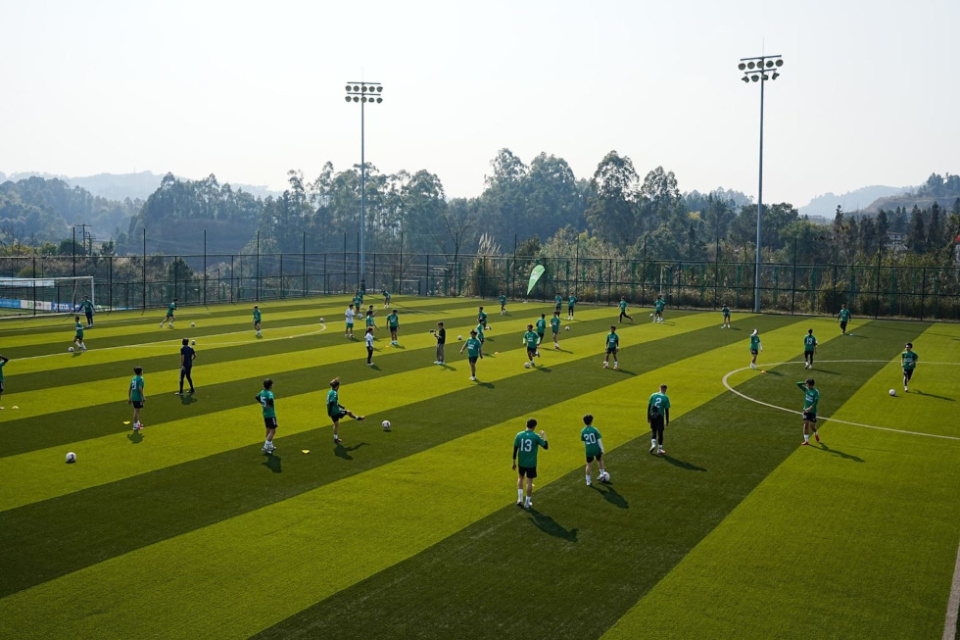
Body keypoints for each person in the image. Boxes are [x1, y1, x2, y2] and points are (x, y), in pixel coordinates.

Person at [512, 418, 548, 510]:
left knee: (520, 478)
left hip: (521, 462)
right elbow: (545, 447)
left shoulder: (519, 435)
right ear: (534, 426)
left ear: (526, 424)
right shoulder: (535, 436)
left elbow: (515, 449)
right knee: (529, 482)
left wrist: (513, 462)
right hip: (531, 463)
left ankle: (520, 498)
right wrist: (544, 436)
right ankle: (527, 503)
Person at [327, 377, 365, 444]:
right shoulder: (334, 393)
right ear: (337, 386)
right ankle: (357, 418)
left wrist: (340, 406)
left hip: (333, 411)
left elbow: (333, 402)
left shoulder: (330, 392)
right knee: (348, 412)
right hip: (335, 412)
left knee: (336, 424)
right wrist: (330, 412)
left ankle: (335, 439)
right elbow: (332, 402)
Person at [580, 414, 607, 486]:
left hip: (589, 450)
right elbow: (599, 440)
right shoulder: (595, 430)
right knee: (600, 460)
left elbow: (583, 441)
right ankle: (602, 474)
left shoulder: (583, 431)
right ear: (591, 421)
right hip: (596, 449)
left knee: (589, 465)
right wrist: (602, 449)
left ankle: (588, 481)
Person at [255, 378, 278, 455]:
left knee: (268, 430)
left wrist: (262, 403)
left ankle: (270, 446)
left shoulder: (262, 392)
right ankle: (265, 447)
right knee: (273, 431)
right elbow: (271, 400)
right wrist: (269, 405)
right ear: (270, 385)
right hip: (271, 414)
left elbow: (257, 397)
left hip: (265, 414)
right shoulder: (269, 393)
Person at [647, 384, 671, 455]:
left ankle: (653, 444)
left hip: (652, 415)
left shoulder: (653, 395)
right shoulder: (665, 398)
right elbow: (666, 410)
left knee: (654, 431)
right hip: (659, 416)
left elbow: (649, 407)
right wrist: (667, 421)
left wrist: (648, 417)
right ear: (665, 390)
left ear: (659, 388)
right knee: (660, 433)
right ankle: (659, 449)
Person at [797, 378, 821, 446]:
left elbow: (816, 402)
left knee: (812, 426)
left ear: (811, 385)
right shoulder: (806, 389)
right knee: (806, 424)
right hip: (805, 410)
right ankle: (806, 441)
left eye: (808, 384)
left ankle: (816, 434)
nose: (807, 386)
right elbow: (797, 384)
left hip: (812, 411)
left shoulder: (816, 392)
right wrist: (804, 382)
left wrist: (810, 408)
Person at [128, 366, 145, 431]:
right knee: (136, 411)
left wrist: (129, 398)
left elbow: (130, 389)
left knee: (136, 410)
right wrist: (143, 396)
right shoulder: (141, 379)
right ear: (141, 372)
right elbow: (140, 388)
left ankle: (137, 423)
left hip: (133, 396)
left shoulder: (133, 378)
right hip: (138, 397)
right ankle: (135, 426)